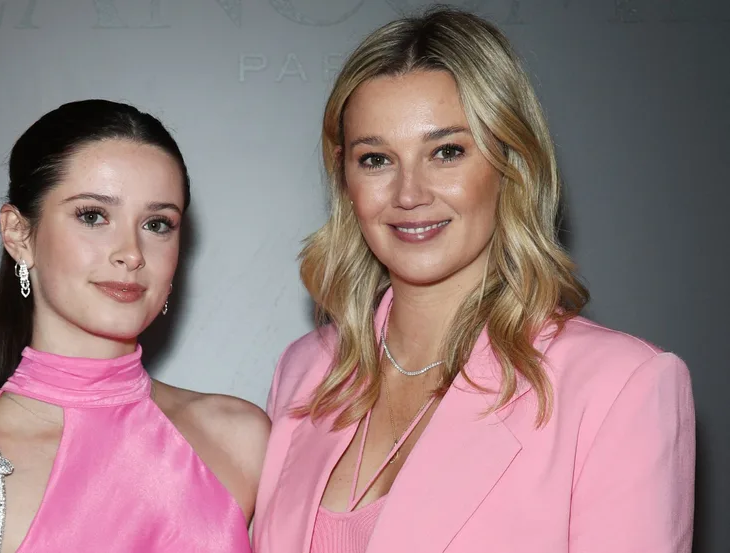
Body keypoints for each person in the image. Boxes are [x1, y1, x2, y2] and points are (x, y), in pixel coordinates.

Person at [252, 7, 695, 553]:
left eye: (447, 152)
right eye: (375, 160)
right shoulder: (304, 371)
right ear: (346, 180)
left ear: (512, 162)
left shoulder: (620, 387)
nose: (409, 194)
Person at [0, 99, 269, 553]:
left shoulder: (240, 438)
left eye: (158, 223)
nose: (132, 252)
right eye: (93, 216)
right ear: (18, 234)